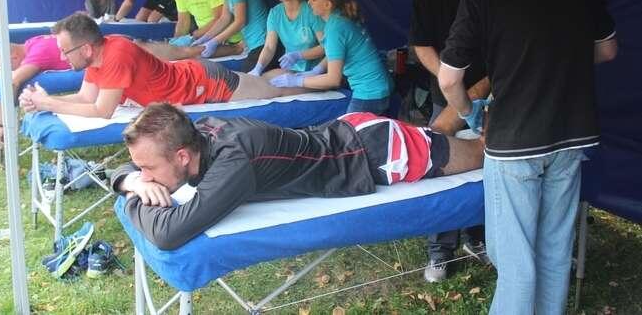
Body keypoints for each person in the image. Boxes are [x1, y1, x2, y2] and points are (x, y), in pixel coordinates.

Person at [438, 0, 617, 314]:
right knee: (554, 249)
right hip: (572, 134)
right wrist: (562, 59)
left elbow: (449, 79)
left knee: (515, 260)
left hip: (514, 141)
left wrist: (471, 113)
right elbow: (607, 50)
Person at [112, 102, 485, 250]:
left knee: (481, 152)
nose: (145, 174)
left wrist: (131, 200)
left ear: (182, 156)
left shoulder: (234, 160)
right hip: (348, 132)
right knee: (440, 135)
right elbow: (125, 169)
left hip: (377, 152)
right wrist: (131, 182)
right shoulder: (196, 133)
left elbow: (169, 233)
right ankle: (473, 110)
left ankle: (501, 108)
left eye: (148, 169)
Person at [18, 13, 308, 120]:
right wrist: (45, 100)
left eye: (65, 51)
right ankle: (291, 77)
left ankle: (317, 84)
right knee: (261, 83)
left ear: (85, 48)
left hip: (206, 83)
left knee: (274, 91)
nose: (62, 57)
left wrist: (49, 104)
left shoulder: (115, 55)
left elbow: (102, 110)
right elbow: (85, 98)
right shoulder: (97, 56)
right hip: (196, 77)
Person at [410, 0, 490, 282]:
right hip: (445, 90)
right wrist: (448, 84)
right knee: (441, 161)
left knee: (483, 165)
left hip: (489, 89)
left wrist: (474, 94)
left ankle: (478, 236)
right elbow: (422, 43)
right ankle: (440, 250)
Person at [270, 0, 392, 115]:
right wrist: (317, 70)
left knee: (348, 128)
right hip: (379, 86)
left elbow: (333, 79)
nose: (309, 2)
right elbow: (335, 53)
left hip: (370, 93)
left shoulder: (335, 29)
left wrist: (297, 81)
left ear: (327, 4)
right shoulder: (339, 18)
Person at [0, 35, 70, 142]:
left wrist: (3, 122)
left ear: (14, 58)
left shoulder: (37, 55)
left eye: (9, 68)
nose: (11, 71)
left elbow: (13, 82)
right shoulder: (32, 42)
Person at [248, 0, 325, 77]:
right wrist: (258, 68)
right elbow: (269, 47)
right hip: (290, 69)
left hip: (315, 72)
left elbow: (325, 47)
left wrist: (299, 55)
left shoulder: (312, 11)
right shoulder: (275, 13)